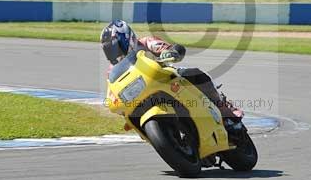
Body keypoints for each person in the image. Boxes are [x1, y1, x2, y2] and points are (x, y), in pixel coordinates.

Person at [100, 20, 244, 127]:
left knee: (197, 75)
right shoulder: (112, 71)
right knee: (130, 120)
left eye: (116, 47)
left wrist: (170, 52)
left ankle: (224, 109)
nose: (115, 52)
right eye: (110, 49)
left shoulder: (145, 43)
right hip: (141, 96)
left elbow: (167, 49)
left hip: (167, 79)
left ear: (128, 38)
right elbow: (111, 93)